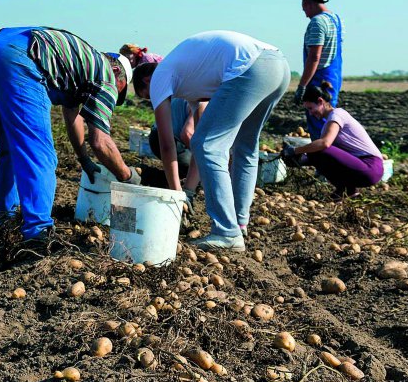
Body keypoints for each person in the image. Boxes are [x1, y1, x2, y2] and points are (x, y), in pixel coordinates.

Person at [0, 27, 139, 241]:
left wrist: (84, 159)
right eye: (121, 88)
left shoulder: (81, 67)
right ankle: (38, 231)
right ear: (118, 73)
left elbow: (73, 118)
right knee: (40, 154)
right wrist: (127, 176)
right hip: (19, 57)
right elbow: (100, 141)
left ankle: (0, 219)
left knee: (10, 148)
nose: (116, 94)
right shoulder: (107, 75)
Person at [133, 31, 291, 251]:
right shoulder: (190, 81)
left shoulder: (160, 77)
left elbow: (167, 144)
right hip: (277, 65)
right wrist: (187, 190)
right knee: (245, 147)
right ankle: (239, 223)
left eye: (148, 96)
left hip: (249, 67)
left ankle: (226, 231)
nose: (155, 101)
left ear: (147, 81)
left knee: (207, 145)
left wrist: (176, 195)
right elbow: (201, 137)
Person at [282, 82, 383, 200]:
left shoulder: (337, 115)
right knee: (316, 151)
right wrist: (301, 161)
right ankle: (348, 191)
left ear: (320, 101)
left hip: (370, 167)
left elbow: (325, 143)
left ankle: (345, 189)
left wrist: (295, 151)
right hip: (362, 167)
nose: (310, 113)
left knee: (318, 148)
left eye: (310, 108)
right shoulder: (329, 122)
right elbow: (331, 157)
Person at [294, 0, 344, 139]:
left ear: (308, 3)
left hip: (318, 79)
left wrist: (302, 85)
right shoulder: (336, 19)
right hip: (333, 78)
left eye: (304, 8)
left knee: (317, 118)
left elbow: (314, 56)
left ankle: (323, 158)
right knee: (329, 118)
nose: (305, 14)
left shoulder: (317, 22)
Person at [145, 95, 196, 177]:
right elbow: (187, 134)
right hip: (169, 140)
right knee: (201, 170)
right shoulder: (205, 102)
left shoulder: (192, 91)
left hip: (156, 135)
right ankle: (150, 176)